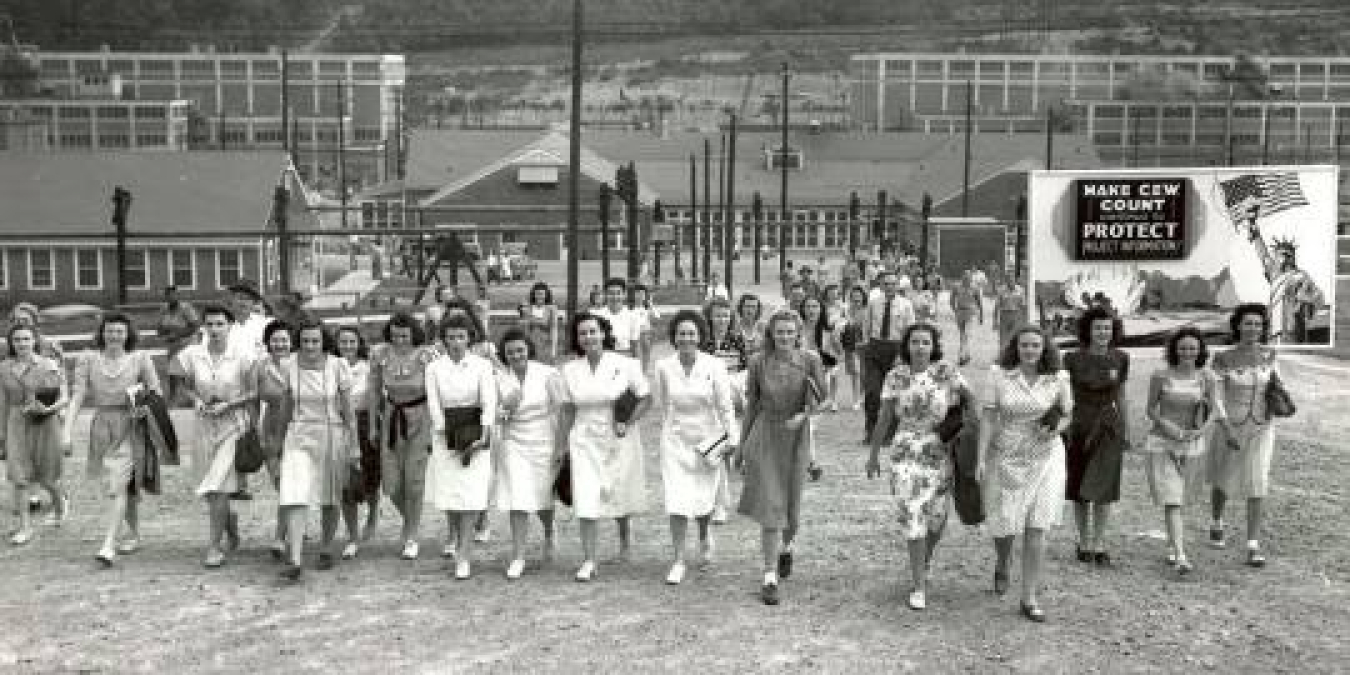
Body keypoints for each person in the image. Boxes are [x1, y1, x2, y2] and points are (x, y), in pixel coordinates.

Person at [865, 323, 971, 610]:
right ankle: (918, 585)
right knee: (913, 513)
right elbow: (885, 418)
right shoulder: (896, 376)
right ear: (907, 345)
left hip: (939, 449)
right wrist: (873, 454)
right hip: (905, 451)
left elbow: (971, 402)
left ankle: (924, 558)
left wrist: (963, 430)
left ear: (933, 345)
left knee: (937, 518)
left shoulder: (946, 372)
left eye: (926, 342)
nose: (920, 347)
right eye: (915, 342)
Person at [978, 325, 1072, 622]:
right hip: (1007, 453)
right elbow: (989, 416)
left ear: (1044, 348)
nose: (1030, 351)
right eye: (1024, 345)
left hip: (1046, 456)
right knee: (1005, 522)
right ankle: (1003, 560)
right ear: (1015, 348)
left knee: (1037, 524)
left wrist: (1057, 427)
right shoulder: (999, 374)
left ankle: (1029, 597)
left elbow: (1068, 411)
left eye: (1035, 345)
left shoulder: (1058, 377)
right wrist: (980, 458)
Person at [736, 310, 825, 606]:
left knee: (792, 511)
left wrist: (803, 416)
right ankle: (769, 575)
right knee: (771, 508)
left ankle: (787, 548)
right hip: (766, 433)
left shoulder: (810, 360)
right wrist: (740, 445)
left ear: (798, 333)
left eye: (790, 332)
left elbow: (821, 400)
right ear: (771, 334)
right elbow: (751, 405)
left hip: (796, 437)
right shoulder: (758, 362)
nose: (784, 337)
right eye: (779, 332)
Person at [556, 312, 652, 582]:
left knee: (617, 490)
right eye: (582, 333)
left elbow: (646, 398)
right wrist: (560, 446)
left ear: (603, 333)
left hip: (617, 435)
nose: (588, 337)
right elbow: (566, 410)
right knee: (586, 496)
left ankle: (625, 539)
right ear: (577, 338)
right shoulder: (570, 370)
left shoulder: (626, 364)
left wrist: (627, 421)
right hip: (583, 438)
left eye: (593, 331)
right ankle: (589, 559)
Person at [66, 313, 161, 566]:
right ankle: (133, 533)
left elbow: (156, 392)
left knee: (118, 485)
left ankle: (108, 544)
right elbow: (77, 396)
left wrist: (145, 406)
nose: (114, 336)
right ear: (102, 333)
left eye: (120, 331)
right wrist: (66, 431)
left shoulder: (140, 359)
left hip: (132, 426)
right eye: (110, 331)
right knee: (122, 485)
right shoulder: (88, 359)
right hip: (102, 426)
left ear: (128, 334)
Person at [653, 311, 739, 585]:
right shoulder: (663, 367)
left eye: (691, 333)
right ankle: (678, 559)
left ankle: (704, 535)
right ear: (674, 337)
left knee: (703, 501)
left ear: (700, 336)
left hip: (707, 439)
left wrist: (731, 439)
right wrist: (667, 435)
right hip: (675, 440)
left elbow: (725, 407)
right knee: (676, 501)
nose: (686, 338)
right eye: (681, 334)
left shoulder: (714, 365)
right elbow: (663, 405)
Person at [276, 319, 360, 582]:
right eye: (305, 341)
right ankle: (296, 558)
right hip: (298, 434)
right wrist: (278, 441)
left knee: (329, 494)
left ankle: (325, 546)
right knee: (294, 493)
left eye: (315, 341)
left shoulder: (338, 366)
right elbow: (285, 406)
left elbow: (348, 411)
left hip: (330, 432)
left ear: (324, 342)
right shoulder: (289, 365)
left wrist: (354, 444)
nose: (310, 346)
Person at [177, 304, 254, 568]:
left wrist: (230, 405)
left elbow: (255, 392)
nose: (214, 329)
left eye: (220, 324)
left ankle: (213, 546)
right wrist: (195, 400)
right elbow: (181, 385)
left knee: (217, 486)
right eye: (209, 324)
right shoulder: (191, 355)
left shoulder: (243, 355)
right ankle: (229, 522)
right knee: (211, 490)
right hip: (203, 426)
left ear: (230, 326)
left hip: (233, 426)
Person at [1144, 327, 1225, 576]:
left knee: (1182, 497)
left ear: (1200, 350)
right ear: (1174, 350)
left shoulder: (1207, 377)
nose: (1187, 352)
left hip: (1191, 444)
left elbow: (1213, 410)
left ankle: (1172, 542)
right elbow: (1150, 409)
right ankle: (1180, 554)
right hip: (1162, 443)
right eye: (1182, 348)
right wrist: (1164, 423)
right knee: (1172, 499)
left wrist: (1202, 431)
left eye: (1192, 347)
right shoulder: (1160, 375)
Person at [423, 314, 498, 580]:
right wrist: (445, 431)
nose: (456, 343)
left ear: (469, 339)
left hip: (475, 432)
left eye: (461, 337)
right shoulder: (434, 368)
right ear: (444, 339)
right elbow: (433, 403)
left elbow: (489, 401)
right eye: (451, 337)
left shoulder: (481, 366)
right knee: (451, 494)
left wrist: (483, 434)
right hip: (446, 435)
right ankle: (454, 537)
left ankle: (464, 555)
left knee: (471, 494)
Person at [1208, 303, 1282, 567]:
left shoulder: (1270, 354)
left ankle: (1253, 544)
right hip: (1231, 425)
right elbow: (1215, 395)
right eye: (1248, 323)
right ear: (1237, 325)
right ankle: (1216, 520)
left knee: (1258, 480)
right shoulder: (1222, 358)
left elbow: (1276, 385)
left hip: (1262, 426)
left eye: (1258, 324)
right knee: (1224, 477)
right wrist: (1225, 426)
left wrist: (1277, 404)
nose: (1253, 328)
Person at [1063, 306, 1131, 567]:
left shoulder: (1121, 358)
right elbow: (1065, 395)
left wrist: (1126, 428)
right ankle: (1083, 541)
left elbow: (1122, 396)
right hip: (1079, 423)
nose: (1103, 332)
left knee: (1105, 486)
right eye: (1098, 328)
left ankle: (1100, 542)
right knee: (1079, 485)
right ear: (1088, 331)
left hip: (1108, 426)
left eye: (1107, 328)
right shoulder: (1072, 359)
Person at [494, 328, 564, 579]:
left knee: (543, 496)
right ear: (504, 354)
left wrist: (560, 446)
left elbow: (561, 410)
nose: (515, 355)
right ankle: (518, 555)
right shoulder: (499, 378)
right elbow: (494, 416)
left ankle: (548, 531)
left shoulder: (548, 374)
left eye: (520, 350)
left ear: (528, 350)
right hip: (513, 442)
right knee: (518, 498)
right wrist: (504, 409)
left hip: (544, 438)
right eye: (510, 352)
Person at [367, 312, 437, 560]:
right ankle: (410, 520)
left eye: (404, 336)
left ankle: (412, 535)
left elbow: (436, 391)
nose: (399, 340)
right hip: (391, 419)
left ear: (413, 334)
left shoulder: (426, 355)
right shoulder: (380, 354)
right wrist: (374, 426)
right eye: (395, 335)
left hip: (421, 417)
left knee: (415, 481)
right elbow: (374, 391)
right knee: (392, 484)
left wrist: (435, 426)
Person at [1, 324, 69, 545]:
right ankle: (25, 527)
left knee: (47, 476)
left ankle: (60, 506)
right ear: (11, 343)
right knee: (19, 476)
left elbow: (63, 396)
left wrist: (49, 409)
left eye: (26, 339)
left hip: (44, 423)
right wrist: (2, 433)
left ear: (34, 341)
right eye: (17, 339)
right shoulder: (4, 368)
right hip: (16, 423)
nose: (21, 344)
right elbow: (2, 402)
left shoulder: (48, 364)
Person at [252, 320, 296, 559]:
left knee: (290, 485)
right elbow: (252, 398)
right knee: (280, 484)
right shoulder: (260, 367)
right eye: (275, 340)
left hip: (298, 428)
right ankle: (291, 525)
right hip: (271, 429)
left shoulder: (301, 364)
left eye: (284, 340)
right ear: (268, 342)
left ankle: (280, 537)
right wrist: (254, 427)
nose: (280, 344)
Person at [701, 297, 747, 524]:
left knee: (723, 453)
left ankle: (720, 502)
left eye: (726, 316)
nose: (722, 320)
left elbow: (745, 371)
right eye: (717, 315)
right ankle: (717, 502)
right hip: (706, 405)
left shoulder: (737, 340)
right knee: (712, 455)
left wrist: (730, 386)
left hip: (730, 401)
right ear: (709, 316)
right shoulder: (701, 341)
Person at [337, 325, 379, 559]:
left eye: (351, 342)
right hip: (339, 425)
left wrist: (373, 426)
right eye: (343, 342)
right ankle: (352, 536)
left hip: (364, 423)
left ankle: (373, 513)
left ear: (358, 343)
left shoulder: (367, 367)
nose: (347, 346)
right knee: (346, 483)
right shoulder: (331, 366)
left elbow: (374, 397)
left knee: (370, 476)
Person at [862, 271, 916, 444]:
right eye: (886, 284)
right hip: (876, 347)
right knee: (872, 391)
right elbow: (867, 326)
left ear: (898, 286)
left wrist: (903, 354)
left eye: (893, 284)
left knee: (893, 394)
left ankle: (890, 433)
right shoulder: (873, 303)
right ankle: (870, 430)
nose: (890, 287)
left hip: (896, 349)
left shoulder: (906, 305)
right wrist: (866, 347)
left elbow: (910, 331)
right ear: (880, 285)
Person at [157, 285, 200, 403]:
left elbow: (195, 326)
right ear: (165, 297)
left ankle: (194, 398)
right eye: (168, 295)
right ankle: (172, 397)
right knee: (173, 372)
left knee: (189, 372)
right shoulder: (163, 309)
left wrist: (177, 335)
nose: (171, 297)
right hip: (173, 345)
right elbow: (160, 327)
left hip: (188, 343)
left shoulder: (186, 308)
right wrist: (162, 333)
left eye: (173, 294)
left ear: (177, 296)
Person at [799, 296, 842, 413]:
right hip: (802, 367)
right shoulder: (797, 328)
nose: (811, 310)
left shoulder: (828, 329)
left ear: (821, 309)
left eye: (814, 306)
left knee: (833, 371)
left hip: (824, 367)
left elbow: (837, 353)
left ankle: (832, 399)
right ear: (802, 309)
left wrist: (830, 362)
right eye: (807, 307)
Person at [591, 277, 644, 359]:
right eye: (611, 293)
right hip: (602, 358)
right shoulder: (596, 316)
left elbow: (635, 345)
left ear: (624, 294)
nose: (615, 297)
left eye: (618, 293)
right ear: (605, 295)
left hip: (624, 357)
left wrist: (636, 366)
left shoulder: (632, 316)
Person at [840, 285, 869, 411]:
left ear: (863, 297)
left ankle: (862, 397)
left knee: (864, 373)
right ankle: (856, 399)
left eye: (859, 296)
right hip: (850, 345)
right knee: (855, 373)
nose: (856, 299)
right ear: (850, 298)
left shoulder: (868, 310)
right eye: (854, 296)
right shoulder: (845, 310)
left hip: (864, 345)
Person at [519, 281, 559, 363]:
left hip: (545, 345)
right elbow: (523, 326)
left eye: (541, 294)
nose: (539, 297)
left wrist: (553, 350)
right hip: (530, 344)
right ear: (533, 294)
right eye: (537, 294)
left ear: (546, 295)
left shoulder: (551, 309)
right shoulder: (528, 308)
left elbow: (554, 329)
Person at [950, 271, 984, 366]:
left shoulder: (975, 288)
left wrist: (981, 316)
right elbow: (952, 300)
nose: (966, 279)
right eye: (965, 277)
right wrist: (954, 310)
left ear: (970, 278)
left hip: (970, 313)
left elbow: (979, 303)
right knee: (962, 336)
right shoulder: (956, 287)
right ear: (962, 277)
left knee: (966, 335)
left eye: (968, 277)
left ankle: (961, 356)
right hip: (960, 312)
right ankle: (967, 354)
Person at [632, 284, 661, 372]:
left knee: (646, 354)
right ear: (634, 295)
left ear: (645, 296)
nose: (640, 296)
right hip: (635, 335)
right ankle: (636, 372)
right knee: (636, 356)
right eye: (638, 293)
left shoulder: (647, 309)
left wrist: (651, 305)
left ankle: (644, 372)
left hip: (646, 334)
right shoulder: (630, 308)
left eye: (642, 294)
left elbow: (657, 317)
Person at [994, 278, 1028, 350]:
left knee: (1015, 336)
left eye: (1012, 280)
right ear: (1006, 281)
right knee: (1003, 337)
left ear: (1015, 281)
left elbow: (1023, 306)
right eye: (1008, 280)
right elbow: (996, 306)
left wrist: (1024, 320)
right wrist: (995, 320)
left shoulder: (1020, 290)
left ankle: (1013, 356)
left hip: (1016, 315)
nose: (1010, 282)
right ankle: (1002, 355)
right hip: (1004, 314)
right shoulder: (1001, 290)